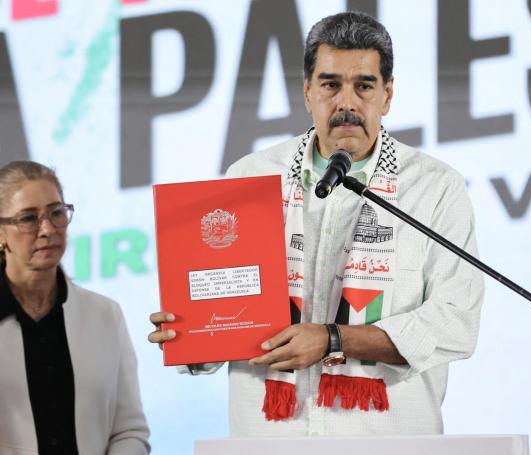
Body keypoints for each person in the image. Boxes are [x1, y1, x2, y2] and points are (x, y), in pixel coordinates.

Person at [149, 11, 484, 436]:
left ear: (387, 95)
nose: (347, 103)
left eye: (364, 86)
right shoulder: (250, 178)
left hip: (385, 440)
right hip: (271, 439)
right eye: (330, 85)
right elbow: (230, 314)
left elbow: (455, 322)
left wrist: (333, 339)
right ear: (308, 92)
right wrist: (191, 333)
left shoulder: (434, 188)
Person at [0, 161, 150, 454]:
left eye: (56, 213)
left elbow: (129, 430)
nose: (47, 229)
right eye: (28, 218)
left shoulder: (105, 315)